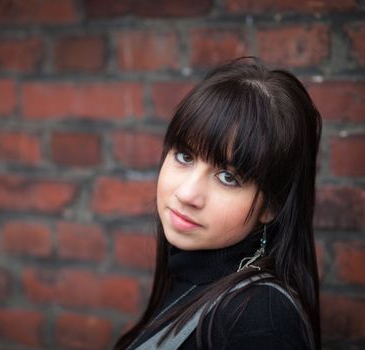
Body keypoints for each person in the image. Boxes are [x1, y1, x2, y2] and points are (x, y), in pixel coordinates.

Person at [114, 57, 322, 350]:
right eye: (184, 157)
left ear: (271, 206)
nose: (187, 194)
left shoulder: (260, 320)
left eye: (227, 177)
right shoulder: (195, 279)